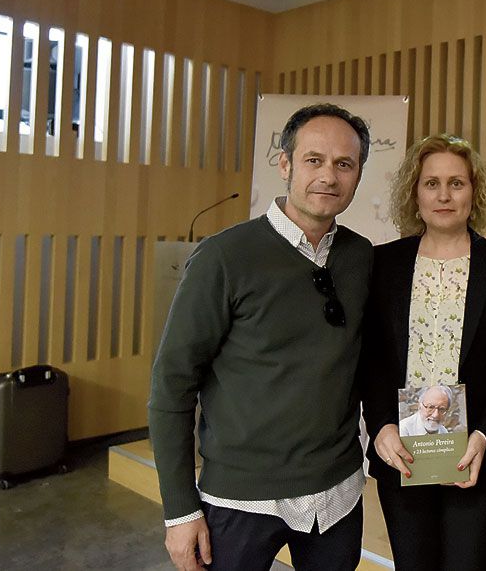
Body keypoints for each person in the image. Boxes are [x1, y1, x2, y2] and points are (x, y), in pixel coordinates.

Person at [147, 103, 374, 571]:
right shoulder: (223, 258)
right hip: (240, 498)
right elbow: (172, 385)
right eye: (314, 159)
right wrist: (179, 510)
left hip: (338, 492)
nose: (328, 176)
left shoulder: (361, 257)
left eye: (344, 164)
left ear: (357, 174)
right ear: (285, 164)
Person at [361, 134, 486, 571]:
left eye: (456, 183)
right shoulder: (384, 264)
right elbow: (373, 356)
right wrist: (380, 424)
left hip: (475, 456)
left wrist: (485, 435)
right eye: (431, 182)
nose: (443, 194)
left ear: (474, 193)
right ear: (413, 192)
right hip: (403, 453)